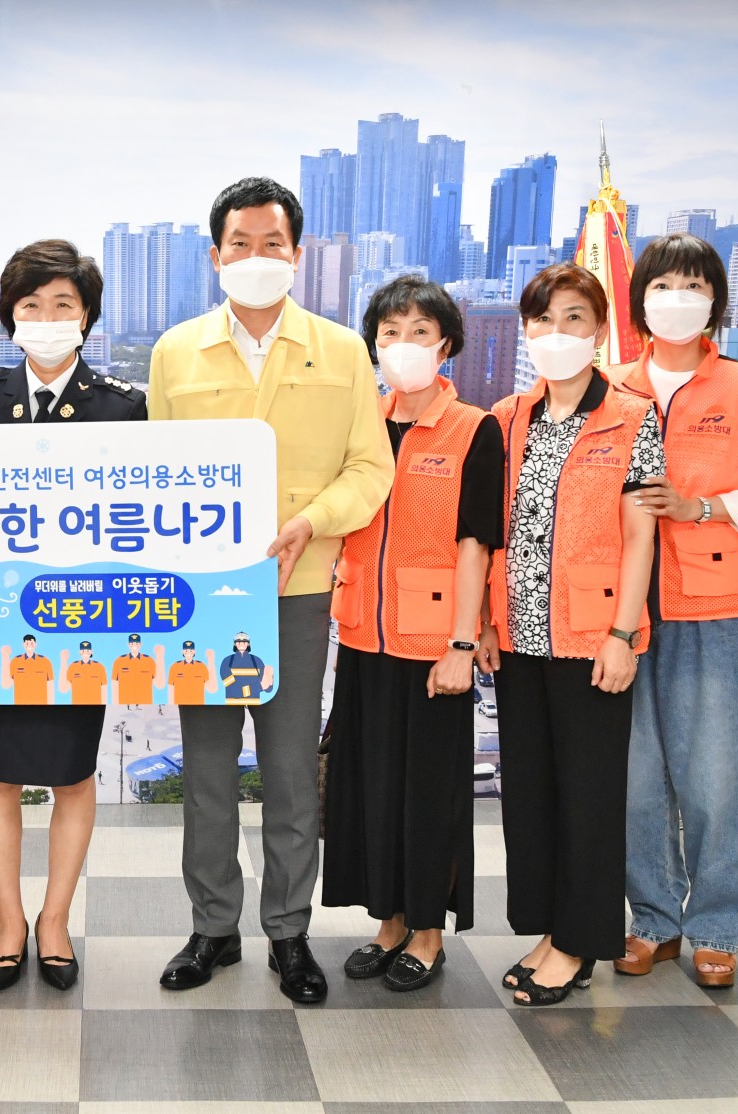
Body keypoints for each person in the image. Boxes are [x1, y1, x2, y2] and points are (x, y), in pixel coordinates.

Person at [147, 177, 394, 1004]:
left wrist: (312, 522)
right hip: (202, 597)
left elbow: (371, 467)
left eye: (273, 244)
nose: (257, 257)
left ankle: (289, 932)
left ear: (298, 253)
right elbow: (154, 473)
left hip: (300, 587)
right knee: (207, 771)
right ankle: (213, 927)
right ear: (215, 256)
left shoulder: (343, 350)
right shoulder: (176, 351)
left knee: (289, 771)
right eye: (240, 244)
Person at [0, 238, 146, 991]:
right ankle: (9, 922)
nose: (46, 317)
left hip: (81, 622)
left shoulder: (122, 407)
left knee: (73, 775)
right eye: (30, 305)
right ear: (11, 317)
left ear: (86, 316)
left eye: (62, 304)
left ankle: (55, 920)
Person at [480, 263, 665, 1006]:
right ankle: (551, 929)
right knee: (531, 794)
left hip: (593, 637)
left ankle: (578, 944)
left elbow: (641, 536)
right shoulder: (508, 417)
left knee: (587, 796)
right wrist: (487, 622)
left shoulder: (631, 415)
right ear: (526, 331)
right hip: (519, 636)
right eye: (543, 320)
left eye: (574, 319)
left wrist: (624, 632)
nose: (557, 334)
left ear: (599, 329)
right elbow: (494, 530)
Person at [612, 234, 738, 988]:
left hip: (716, 608)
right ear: (640, 299)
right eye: (662, 285)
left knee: (715, 779)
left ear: (715, 301)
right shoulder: (611, 386)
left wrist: (700, 506)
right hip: (623, 611)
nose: (677, 299)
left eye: (693, 286)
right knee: (635, 780)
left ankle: (717, 924)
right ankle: (653, 920)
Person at [322, 275, 504, 992]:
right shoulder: (361, 421)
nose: (404, 345)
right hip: (363, 636)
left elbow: (475, 543)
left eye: (419, 332)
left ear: (446, 344)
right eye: (390, 333)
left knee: (429, 794)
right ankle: (388, 923)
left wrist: (463, 642)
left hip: (434, 646)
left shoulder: (473, 428)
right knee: (371, 789)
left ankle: (427, 933)